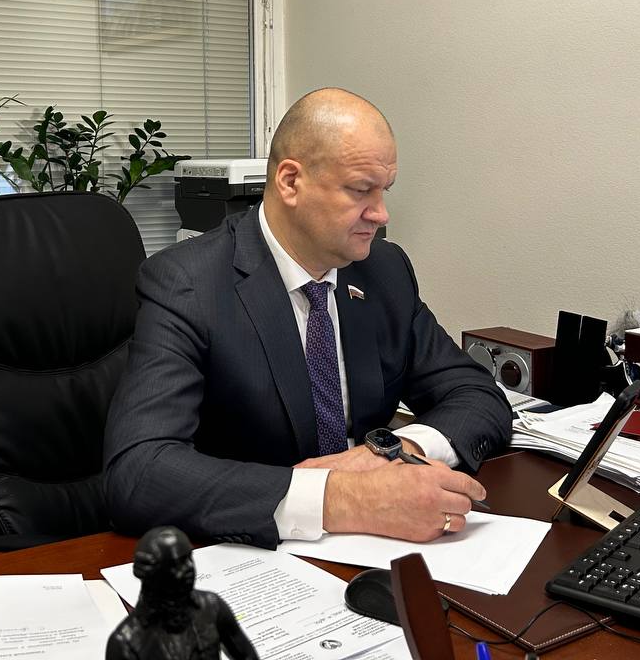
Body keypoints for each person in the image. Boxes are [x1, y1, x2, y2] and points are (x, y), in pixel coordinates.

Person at [104, 88, 512, 549]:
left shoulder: (384, 271)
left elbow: (477, 396)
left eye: (384, 190)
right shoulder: (187, 283)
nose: (381, 214)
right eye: (360, 189)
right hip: (252, 551)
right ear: (290, 182)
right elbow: (138, 472)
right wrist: (344, 497)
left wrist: (395, 452)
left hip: (383, 547)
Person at [106, 526, 257, 660]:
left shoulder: (212, 606)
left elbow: (247, 655)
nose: (189, 567)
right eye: (177, 564)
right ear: (152, 575)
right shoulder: (126, 643)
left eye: (189, 558)